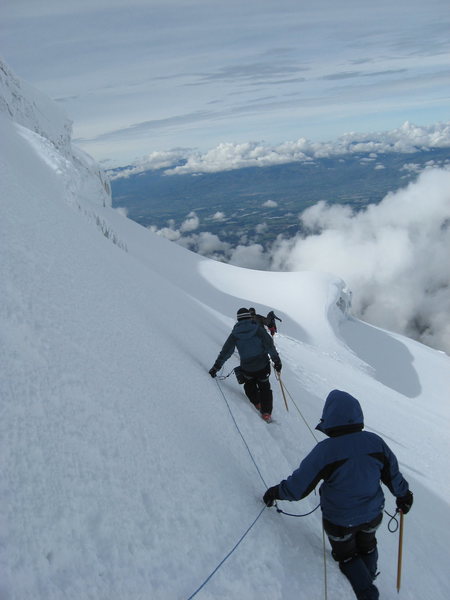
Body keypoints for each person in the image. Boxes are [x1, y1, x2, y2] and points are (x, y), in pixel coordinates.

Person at [263, 389, 413, 600]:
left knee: (347, 556)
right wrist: (404, 496)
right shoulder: (375, 442)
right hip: (373, 514)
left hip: (340, 519)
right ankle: (368, 576)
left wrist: (275, 492)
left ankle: (367, 591)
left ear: (331, 417)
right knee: (368, 546)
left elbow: (299, 487)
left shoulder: (326, 451)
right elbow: (393, 475)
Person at [209, 307, 282, 422]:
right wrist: (276, 361)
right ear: (249, 316)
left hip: (247, 368)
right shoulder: (258, 329)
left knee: (249, 384)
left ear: (238, 320)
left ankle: (257, 403)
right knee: (264, 387)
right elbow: (269, 345)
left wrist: (216, 367)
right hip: (263, 366)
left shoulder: (235, 334)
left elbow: (226, 352)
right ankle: (266, 412)